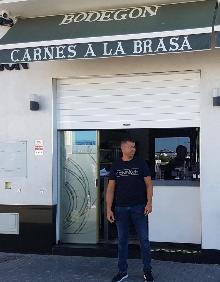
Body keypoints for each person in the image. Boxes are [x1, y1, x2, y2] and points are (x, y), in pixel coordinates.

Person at [106, 137, 154, 282]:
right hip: (120, 208)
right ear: (123, 148)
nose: (133, 149)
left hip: (139, 208)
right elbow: (110, 189)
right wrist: (109, 209)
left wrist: (149, 203)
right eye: (130, 147)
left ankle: (147, 271)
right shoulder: (116, 165)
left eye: (134, 147)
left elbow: (149, 184)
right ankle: (122, 271)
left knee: (144, 240)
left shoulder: (140, 163)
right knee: (122, 241)